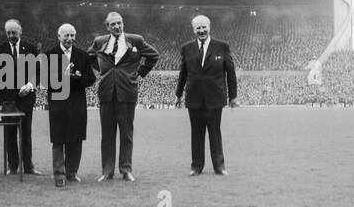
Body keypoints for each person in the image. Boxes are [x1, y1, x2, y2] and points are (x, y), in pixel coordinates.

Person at [89, 12, 159, 182]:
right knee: (107, 134)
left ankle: (126, 169)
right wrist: (102, 70)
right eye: (113, 24)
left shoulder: (136, 40)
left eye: (119, 23)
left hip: (127, 92)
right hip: (106, 93)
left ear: (123, 23)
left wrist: (139, 73)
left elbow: (154, 56)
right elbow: (89, 57)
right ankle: (107, 171)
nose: (117, 26)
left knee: (126, 134)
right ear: (107, 26)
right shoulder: (99, 42)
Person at [175, 15, 237, 176]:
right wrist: (178, 94)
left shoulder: (222, 46)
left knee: (215, 133)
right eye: (198, 28)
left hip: (215, 98)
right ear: (193, 30)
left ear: (209, 27)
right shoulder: (186, 48)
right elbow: (183, 73)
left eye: (204, 27)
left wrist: (233, 96)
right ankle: (196, 167)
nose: (201, 30)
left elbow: (230, 72)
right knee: (196, 134)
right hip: (194, 98)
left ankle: (219, 166)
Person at [46, 24, 96, 188]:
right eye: (66, 35)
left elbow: (91, 79)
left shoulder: (82, 55)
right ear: (59, 36)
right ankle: (59, 175)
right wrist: (63, 77)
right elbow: (45, 80)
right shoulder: (49, 55)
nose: (69, 39)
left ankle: (72, 172)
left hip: (77, 105)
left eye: (72, 35)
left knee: (76, 139)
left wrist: (78, 78)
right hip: (58, 104)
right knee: (59, 140)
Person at [0, 19, 42, 176]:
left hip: (26, 98)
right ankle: (12, 166)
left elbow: (38, 72)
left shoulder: (31, 48)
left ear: (20, 31)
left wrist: (29, 85)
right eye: (8, 33)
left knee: (26, 133)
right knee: (9, 133)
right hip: (7, 99)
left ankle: (28, 166)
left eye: (14, 32)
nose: (11, 35)